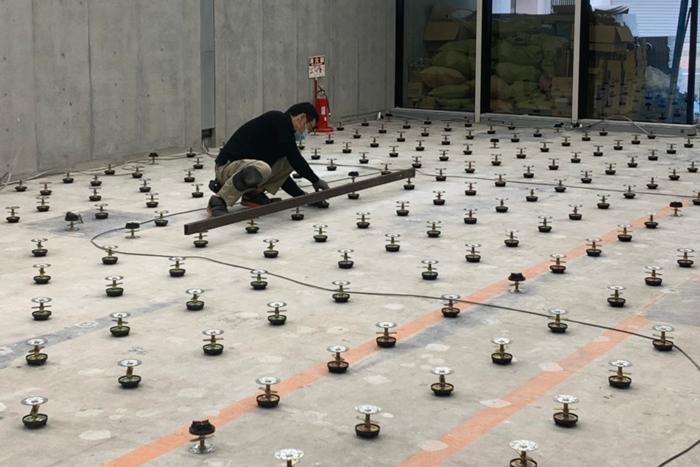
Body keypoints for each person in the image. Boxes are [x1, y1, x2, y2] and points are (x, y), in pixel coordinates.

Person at [207, 102, 329, 217]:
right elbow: (295, 159)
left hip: (243, 169)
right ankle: (218, 200)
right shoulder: (279, 120)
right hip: (226, 167)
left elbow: (281, 175)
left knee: (285, 161)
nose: (306, 132)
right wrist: (315, 180)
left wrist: (303, 197)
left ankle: (253, 195)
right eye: (309, 128)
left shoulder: (281, 133)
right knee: (263, 168)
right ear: (302, 118)